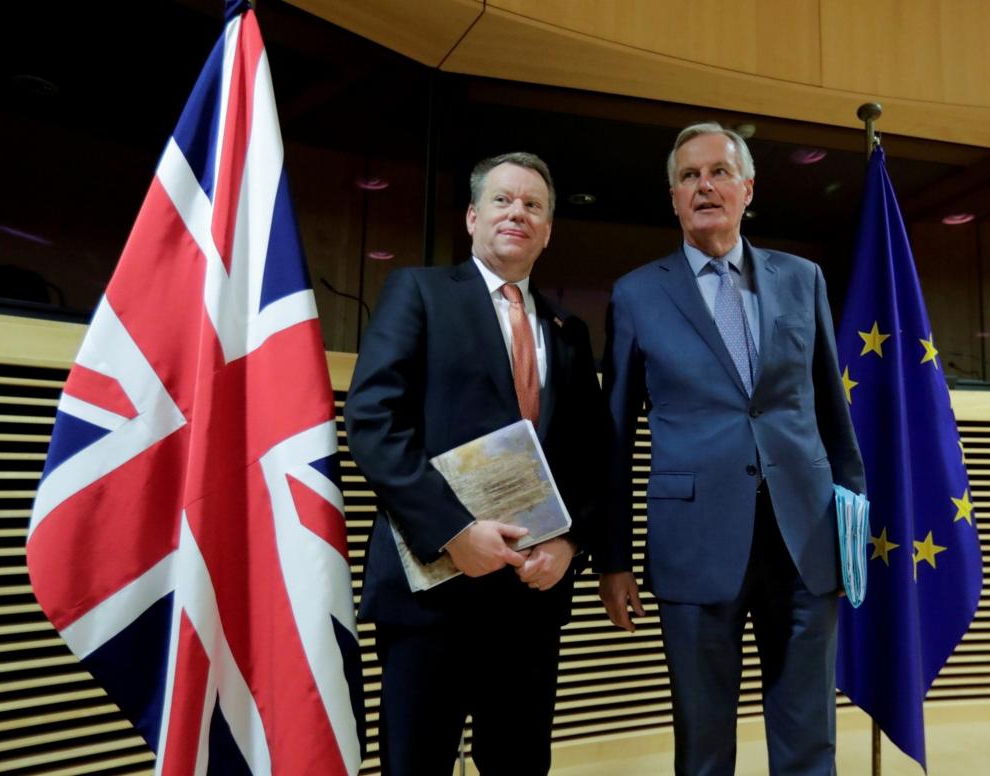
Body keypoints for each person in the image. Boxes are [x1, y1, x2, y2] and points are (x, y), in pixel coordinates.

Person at [596, 123, 865, 775]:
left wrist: (856, 533)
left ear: (748, 188)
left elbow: (832, 411)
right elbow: (613, 435)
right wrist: (613, 559)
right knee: (703, 742)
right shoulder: (636, 293)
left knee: (809, 741)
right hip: (692, 544)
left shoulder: (802, 280)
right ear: (673, 198)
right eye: (689, 176)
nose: (705, 185)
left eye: (718, 172)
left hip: (804, 540)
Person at [344, 152, 607, 775]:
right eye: (503, 199)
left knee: (518, 764)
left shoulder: (570, 332)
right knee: (417, 764)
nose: (518, 211)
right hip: (433, 586)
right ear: (471, 216)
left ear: (547, 230)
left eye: (533, 205)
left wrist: (570, 543)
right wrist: (455, 533)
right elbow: (374, 423)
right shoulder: (419, 292)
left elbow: (593, 456)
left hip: (530, 596)